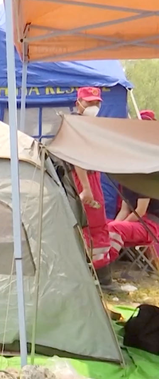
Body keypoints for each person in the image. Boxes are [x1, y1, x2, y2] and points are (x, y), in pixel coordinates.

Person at [71, 87, 113, 283]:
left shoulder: (90, 125)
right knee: (90, 226)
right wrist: (86, 188)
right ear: (79, 103)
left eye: (96, 103)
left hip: (92, 178)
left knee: (98, 226)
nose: (93, 106)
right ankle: (95, 277)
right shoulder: (75, 125)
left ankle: (100, 275)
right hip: (83, 180)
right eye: (89, 102)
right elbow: (76, 157)